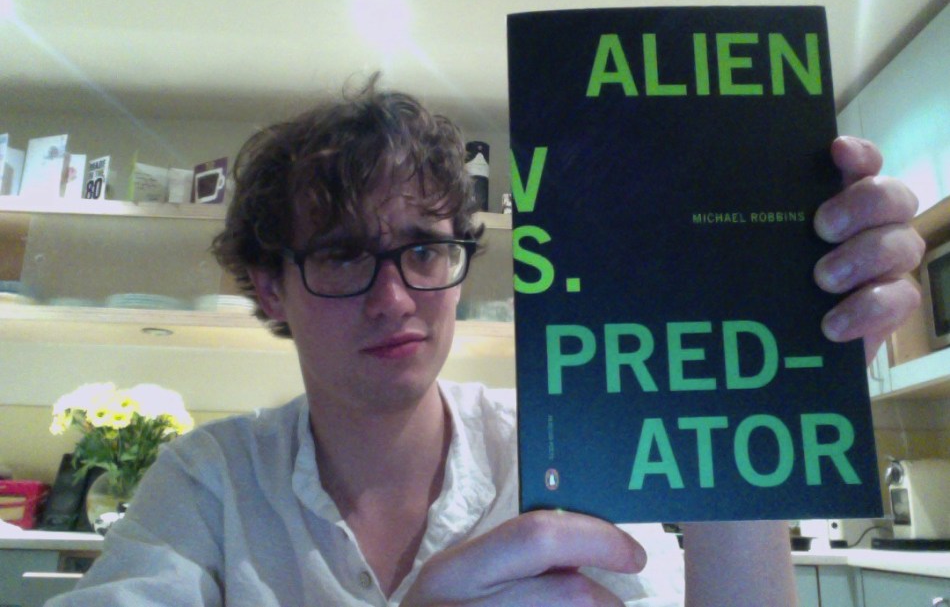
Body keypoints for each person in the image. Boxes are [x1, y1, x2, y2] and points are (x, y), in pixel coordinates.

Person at [48, 76, 924, 607]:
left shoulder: (565, 445)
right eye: (343, 254)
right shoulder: (208, 485)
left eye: (425, 249)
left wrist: (764, 391)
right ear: (270, 283)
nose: (394, 298)